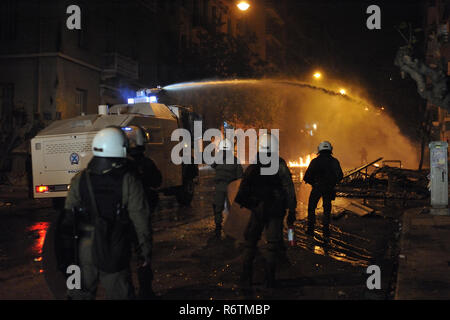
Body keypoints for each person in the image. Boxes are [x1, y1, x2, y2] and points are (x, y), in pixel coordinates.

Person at [64, 127, 152, 300]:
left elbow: (68, 217)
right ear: (120, 148)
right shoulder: (128, 180)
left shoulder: (80, 179)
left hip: (82, 249)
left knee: (78, 295)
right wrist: (144, 253)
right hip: (114, 246)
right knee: (119, 294)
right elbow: (140, 219)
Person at [235, 133, 297, 288]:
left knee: (250, 243)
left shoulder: (254, 166)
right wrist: (292, 209)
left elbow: (242, 192)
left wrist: (254, 205)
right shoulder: (279, 164)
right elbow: (289, 188)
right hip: (275, 209)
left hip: (258, 209)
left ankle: (246, 278)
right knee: (272, 245)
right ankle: (269, 280)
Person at [124, 125, 162, 299]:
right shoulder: (146, 163)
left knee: (123, 258)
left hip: (121, 220)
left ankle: (128, 291)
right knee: (143, 255)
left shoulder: (119, 164)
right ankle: (145, 291)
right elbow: (157, 181)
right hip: (140, 216)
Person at [303, 141, 343, 238]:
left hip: (317, 188)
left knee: (312, 208)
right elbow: (340, 176)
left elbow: (307, 177)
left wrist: (314, 183)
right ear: (330, 149)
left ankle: (310, 229)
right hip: (329, 188)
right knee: (327, 210)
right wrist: (332, 183)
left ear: (319, 150)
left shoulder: (315, 161)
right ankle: (326, 231)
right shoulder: (334, 161)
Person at [211, 138, 243, 239]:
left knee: (231, 209)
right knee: (218, 206)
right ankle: (218, 226)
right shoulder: (220, 159)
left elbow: (239, 177)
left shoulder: (234, 161)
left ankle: (230, 228)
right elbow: (213, 165)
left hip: (230, 187)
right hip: (221, 186)